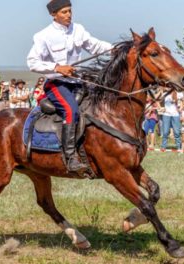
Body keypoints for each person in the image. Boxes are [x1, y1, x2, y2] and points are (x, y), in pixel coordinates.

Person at [26, 0, 112, 175]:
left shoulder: (78, 29)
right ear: (53, 14)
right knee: (70, 110)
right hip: (57, 84)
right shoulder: (43, 36)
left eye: (70, 11)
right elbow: (32, 62)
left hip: (78, 82)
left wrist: (116, 50)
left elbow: (96, 46)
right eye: (64, 12)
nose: (68, 15)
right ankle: (70, 157)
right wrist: (57, 68)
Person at [160, 87, 182, 152]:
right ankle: (163, 147)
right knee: (165, 132)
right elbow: (159, 101)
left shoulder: (179, 93)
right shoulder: (165, 93)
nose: (169, 87)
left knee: (177, 132)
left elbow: (182, 102)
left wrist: (180, 108)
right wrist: (161, 108)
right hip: (166, 114)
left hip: (176, 114)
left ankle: (179, 147)